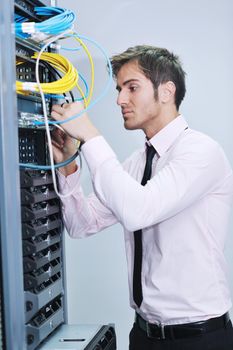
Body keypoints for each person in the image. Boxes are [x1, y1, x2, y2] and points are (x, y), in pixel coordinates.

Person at [51, 45, 233, 350]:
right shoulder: (137, 163)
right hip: (143, 336)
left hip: (199, 339)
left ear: (166, 91)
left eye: (132, 88)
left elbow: (139, 210)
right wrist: (69, 163)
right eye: (120, 89)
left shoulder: (201, 152)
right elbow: (82, 224)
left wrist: (91, 136)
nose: (121, 99)